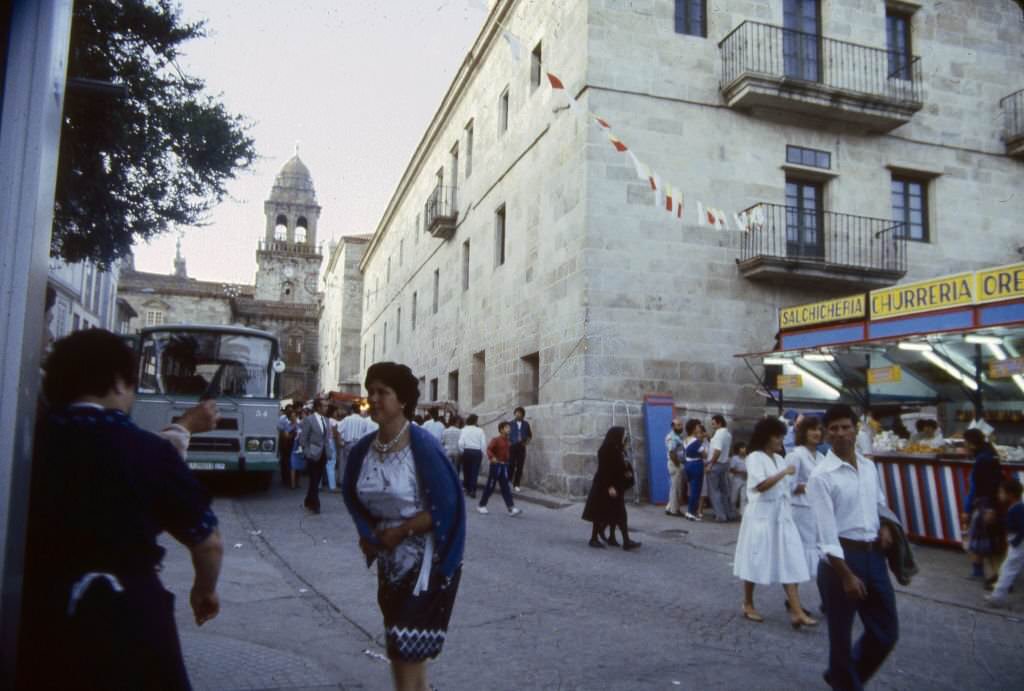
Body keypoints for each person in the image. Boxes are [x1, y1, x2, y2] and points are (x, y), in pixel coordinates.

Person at [20, 329, 223, 690]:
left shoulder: (27, 441)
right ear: (118, 383)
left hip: (39, 612)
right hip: (128, 614)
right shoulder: (146, 451)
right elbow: (207, 543)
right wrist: (203, 590)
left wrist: (185, 426)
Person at [341, 362, 465, 691]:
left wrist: (400, 530)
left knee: (403, 647)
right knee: (403, 650)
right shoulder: (363, 451)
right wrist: (367, 534)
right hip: (389, 564)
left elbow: (447, 505)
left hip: (425, 565)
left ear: (403, 400)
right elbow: (354, 496)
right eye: (371, 392)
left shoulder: (422, 445)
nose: (374, 399)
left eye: (383, 392)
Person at [808, 404, 898, 691]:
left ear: (856, 429)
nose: (840, 434)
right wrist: (846, 575)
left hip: (874, 557)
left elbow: (878, 503)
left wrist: (884, 526)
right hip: (840, 563)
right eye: (833, 429)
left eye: (845, 427)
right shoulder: (821, 476)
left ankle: (842, 676)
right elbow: (826, 534)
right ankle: (845, 681)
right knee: (841, 640)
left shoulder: (869, 467)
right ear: (825, 434)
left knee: (886, 632)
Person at [733, 416, 815, 628]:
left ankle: (796, 611)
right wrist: (784, 473)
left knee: (788, 558)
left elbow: (787, 488)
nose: (780, 440)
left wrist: (804, 486)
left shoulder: (780, 459)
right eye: (777, 436)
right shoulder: (754, 458)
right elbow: (760, 485)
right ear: (766, 436)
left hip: (781, 516)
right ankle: (748, 603)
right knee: (756, 557)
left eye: (782, 436)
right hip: (761, 515)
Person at [582, 427, 641, 550]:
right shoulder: (605, 450)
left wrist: (627, 472)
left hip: (616, 486)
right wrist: (609, 487)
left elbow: (621, 466)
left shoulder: (619, 449)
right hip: (604, 486)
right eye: (623, 435)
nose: (624, 437)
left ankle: (616, 538)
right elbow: (604, 470)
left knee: (617, 513)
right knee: (600, 513)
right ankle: (594, 538)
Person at [961, 428, 1005, 585]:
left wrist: (969, 509)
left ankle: (995, 577)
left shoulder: (983, 461)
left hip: (984, 504)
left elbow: (981, 487)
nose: (964, 446)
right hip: (988, 503)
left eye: (965, 442)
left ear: (971, 443)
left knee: (984, 541)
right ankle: (984, 573)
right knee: (986, 540)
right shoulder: (989, 455)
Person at [787, 415, 826, 580]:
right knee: (802, 553)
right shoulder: (796, 455)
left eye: (818, 429)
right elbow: (788, 486)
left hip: (817, 510)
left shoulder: (822, 457)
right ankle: (795, 597)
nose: (816, 433)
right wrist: (810, 486)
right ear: (803, 432)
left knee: (817, 552)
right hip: (801, 511)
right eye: (812, 429)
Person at [986, 479, 1024, 608]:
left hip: (1018, 543)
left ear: (1010, 495)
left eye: (1001, 493)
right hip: (1017, 541)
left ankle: (997, 597)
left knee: (1008, 568)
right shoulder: (1016, 507)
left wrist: (1015, 541)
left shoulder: (1017, 509)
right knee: (1009, 567)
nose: (999, 495)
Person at [477, 421, 523, 516]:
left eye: (509, 427)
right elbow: (489, 449)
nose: (509, 429)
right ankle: (481, 505)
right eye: (507, 427)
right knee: (491, 486)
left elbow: (508, 452)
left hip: (504, 466)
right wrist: (492, 457)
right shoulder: (496, 439)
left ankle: (511, 508)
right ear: (501, 429)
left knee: (505, 487)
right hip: (496, 465)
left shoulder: (508, 440)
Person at [300, 398, 331, 514]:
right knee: (313, 479)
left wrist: (329, 453)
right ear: (318, 407)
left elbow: (327, 439)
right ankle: (315, 504)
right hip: (313, 454)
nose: (326, 408)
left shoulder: (327, 420)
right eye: (324, 406)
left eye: (327, 406)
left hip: (323, 454)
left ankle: (308, 500)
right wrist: (308, 452)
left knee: (316, 479)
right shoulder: (309, 420)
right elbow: (303, 439)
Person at [707, 414, 737, 522]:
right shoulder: (727, 434)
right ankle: (729, 513)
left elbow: (717, 451)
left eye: (714, 423)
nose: (712, 425)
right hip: (724, 464)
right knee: (725, 490)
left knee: (714, 491)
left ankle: (720, 515)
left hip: (716, 464)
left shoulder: (719, 434)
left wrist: (710, 463)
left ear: (719, 423)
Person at [681, 419, 707, 521]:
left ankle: (690, 511)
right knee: (696, 490)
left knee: (692, 489)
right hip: (696, 464)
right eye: (697, 426)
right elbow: (705, 454)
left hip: (688, 464)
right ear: (693, 428)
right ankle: (692, 512)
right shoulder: (696, 441)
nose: (699, 428)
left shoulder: (685, 440)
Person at [458, 413, 486, 498]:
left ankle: (467, 488)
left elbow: (460, 442)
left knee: (466, 471)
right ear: (475, 421)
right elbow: (483, 443)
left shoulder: (463, 430)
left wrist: (462, 451)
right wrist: (482, 452)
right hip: (477, 452)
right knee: (474, 471)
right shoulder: (480, 430)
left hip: (467, 451)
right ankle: (473, 490)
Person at [664, 418, 686, 517]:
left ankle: (669, 508)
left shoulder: (677, 436)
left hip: (676, 463)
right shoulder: (672, 437)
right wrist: (678, 465)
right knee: (676, 488)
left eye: (681, 425)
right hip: (675, 464)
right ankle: (674, 510)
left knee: (674, 487)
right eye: (678, 425)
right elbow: (672, 452)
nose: (681, 427)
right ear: (673, 426)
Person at [508, 406, 533, 491]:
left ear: (523, 415)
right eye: (517, 413)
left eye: (520, 413)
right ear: (514, 414)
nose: (518, 414)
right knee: (511, 465)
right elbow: (506, 434)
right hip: (512, 446)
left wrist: (526, 443)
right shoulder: (510, 424)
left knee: (520, 466)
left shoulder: (526, 424)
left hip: (521, 447)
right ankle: (508, 481)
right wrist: (509, 442)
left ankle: (517, 484)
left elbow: (530, 435)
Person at [729, 441, 749, 517]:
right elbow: (731, 469)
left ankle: (742, 513)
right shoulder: (735, 458)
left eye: (744, 448)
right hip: (737, 479)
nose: (744, 449)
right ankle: (732, 512)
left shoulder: (748, 457)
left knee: (744, 497)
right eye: (742, 448)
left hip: (746, 479)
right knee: (733, 497)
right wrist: (740, 472)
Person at [277, 403, 295, 486]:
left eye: (291, 410)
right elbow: (281, 431)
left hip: (291, 443)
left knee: (289, 461)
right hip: (283, 443)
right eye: (289, 410)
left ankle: (289, 478)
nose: (290, 412)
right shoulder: (282, 419)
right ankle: (284, 478)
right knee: (284, 461)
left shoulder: (293, 420)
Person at [289, 409, 305, 489]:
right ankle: (293, 484)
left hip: (300, 446)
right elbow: (288, 435)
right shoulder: (290, 425)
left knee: (299, 465)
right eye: (292, 416)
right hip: (294, 446)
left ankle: (297, 482)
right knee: (293, 466)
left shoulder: (300, 424)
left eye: (294, 416)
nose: (293, 418)